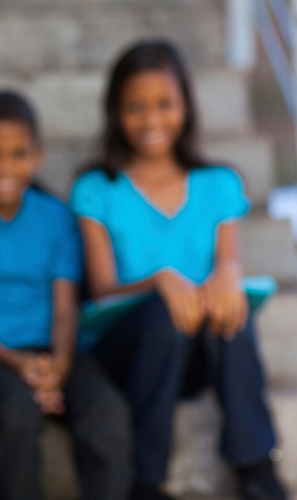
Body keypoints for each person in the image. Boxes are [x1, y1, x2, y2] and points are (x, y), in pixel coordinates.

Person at [69, 40, 286, 500]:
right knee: (165, 313)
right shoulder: (96, 188)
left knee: (231, 310)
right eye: (135, 107)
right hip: (128, 352)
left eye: (165, 104)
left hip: (195, 352)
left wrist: (227, 273)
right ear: (115, 111)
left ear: (186, 106)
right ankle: (146, 478)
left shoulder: (218, 184)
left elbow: (228, 261)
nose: (152, 120)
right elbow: (103, 290)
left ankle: (256, 468)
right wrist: (161, 280)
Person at [0, 91, 133, 500]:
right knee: (15, 410)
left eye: (18, 153)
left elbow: (64, 309)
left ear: (37, 156)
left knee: (105, 407)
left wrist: (58, 363)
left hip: (50, 347)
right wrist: (18, 364)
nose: (5, 167)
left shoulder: (55, 218)